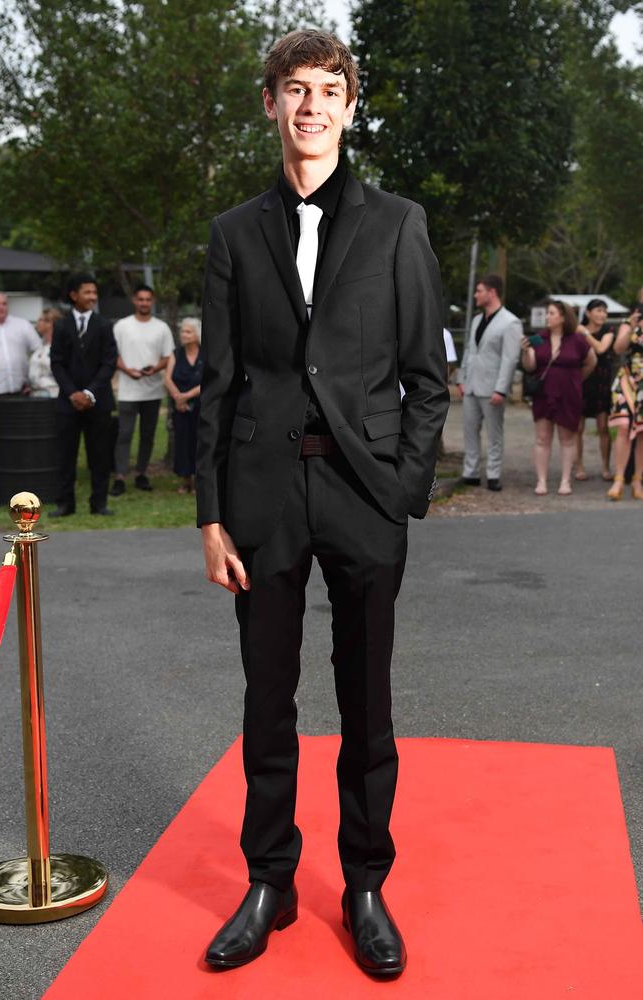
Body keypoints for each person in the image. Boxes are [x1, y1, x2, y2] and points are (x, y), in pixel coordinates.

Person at [197, 29, 448, 977]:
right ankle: (269, 882)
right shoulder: (231, 234)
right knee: (268, 702)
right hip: (261, 500)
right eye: (293, 89)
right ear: (270, 104)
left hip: (363, 497)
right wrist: (211, 515)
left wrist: (401, 492)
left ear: (350, 106)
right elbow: (217, 386)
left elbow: (428, 378)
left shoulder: (398, 224)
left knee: (366, 706)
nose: (310, 105)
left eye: (328, 90)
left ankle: (366, 884)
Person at [49, 273, 118, 517]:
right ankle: (65, 504)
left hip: (97, 402)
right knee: (66, 455)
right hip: (68, 403)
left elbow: (109, 363)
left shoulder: (104, 325)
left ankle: (99, 503)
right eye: (87, 292)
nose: (92, 297)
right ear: (74, 295)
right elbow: (56, 363)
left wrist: (89, 393)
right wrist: (73, 393)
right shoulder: (60, 326)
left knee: (99, 455)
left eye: (94, 292)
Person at [520, 301, 596, 496]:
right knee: (542, 437)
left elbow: (591, 361)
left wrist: (577, 380)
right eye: (547, 313)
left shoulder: (577, 340)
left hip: (569, 394)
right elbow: (530, 367)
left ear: (563, 317)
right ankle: (542, 481)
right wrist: (526, 351)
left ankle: (565, 481)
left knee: (567, 438)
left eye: (551, 313)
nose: (548, 317)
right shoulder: (539, 339)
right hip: (543, 393)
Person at [457, 275, 523, 491]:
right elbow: (469, 350)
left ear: (492, 292)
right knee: (469, 430)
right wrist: (461, 378)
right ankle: (471, 471)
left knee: (494, 433)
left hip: (492, 387)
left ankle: (493, 474)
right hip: (471, 385)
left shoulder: (510, 322)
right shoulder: (477, 320)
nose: (476, 295)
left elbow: (510, 358)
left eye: (479, 290)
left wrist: (501, 389)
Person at [110, 284, 174, 495]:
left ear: (153, 301)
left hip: (152, 391)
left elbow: (167, 357)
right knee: (124, 433)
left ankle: (141, 474)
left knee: (147, 435)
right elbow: (113, 354)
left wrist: (154, 368)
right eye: (141, 299)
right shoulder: (122, 326)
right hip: (128, 390)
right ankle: (120, 476)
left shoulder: (162, 328)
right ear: (134, 301)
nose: (144, 303)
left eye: (148, 299)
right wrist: (127, 370)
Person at [605, 305, 643, 501]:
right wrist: (631, 327)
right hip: (628, 380)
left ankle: (637, 479)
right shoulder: (630, 323)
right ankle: (619, 479)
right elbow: (618, 348)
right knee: (623, 426)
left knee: (642, 432)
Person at [575, 298, 614, 481]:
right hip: (582, 380)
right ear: (588, 313)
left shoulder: (608, 331)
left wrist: (585, 334)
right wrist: (581, 332)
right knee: (578, 428)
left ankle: (606, 466)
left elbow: (600, 348)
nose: (602, 314)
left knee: (603, 427)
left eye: (604, 311)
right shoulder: (577, 331)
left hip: (602, 382)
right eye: (598, 310)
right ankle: (579, 465)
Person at [163, 317, 202, 494]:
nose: (184, 335)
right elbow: (167, 378)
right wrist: (179, 398)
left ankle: (198, 482)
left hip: (201, 406)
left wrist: (187, 396)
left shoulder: (206, 354)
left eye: (188, 331)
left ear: (197, 334)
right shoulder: (176, 354)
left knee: (199, 442)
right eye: (183, 331)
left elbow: (209, 381)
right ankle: (186, 481)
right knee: (183, 443)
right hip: (180, 407)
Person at [0, 292, 42, 395]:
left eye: (4, 304)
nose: (1, 307)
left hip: (22, 389)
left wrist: (34, 378)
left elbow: (39, 351)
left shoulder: (23, 325)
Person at [28, 307, 61, 398]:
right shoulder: (40, 348)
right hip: (36, 396)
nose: (37, 323)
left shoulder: (60, 348)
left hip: (54, 396)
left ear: (50, 323)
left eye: (40, 320)